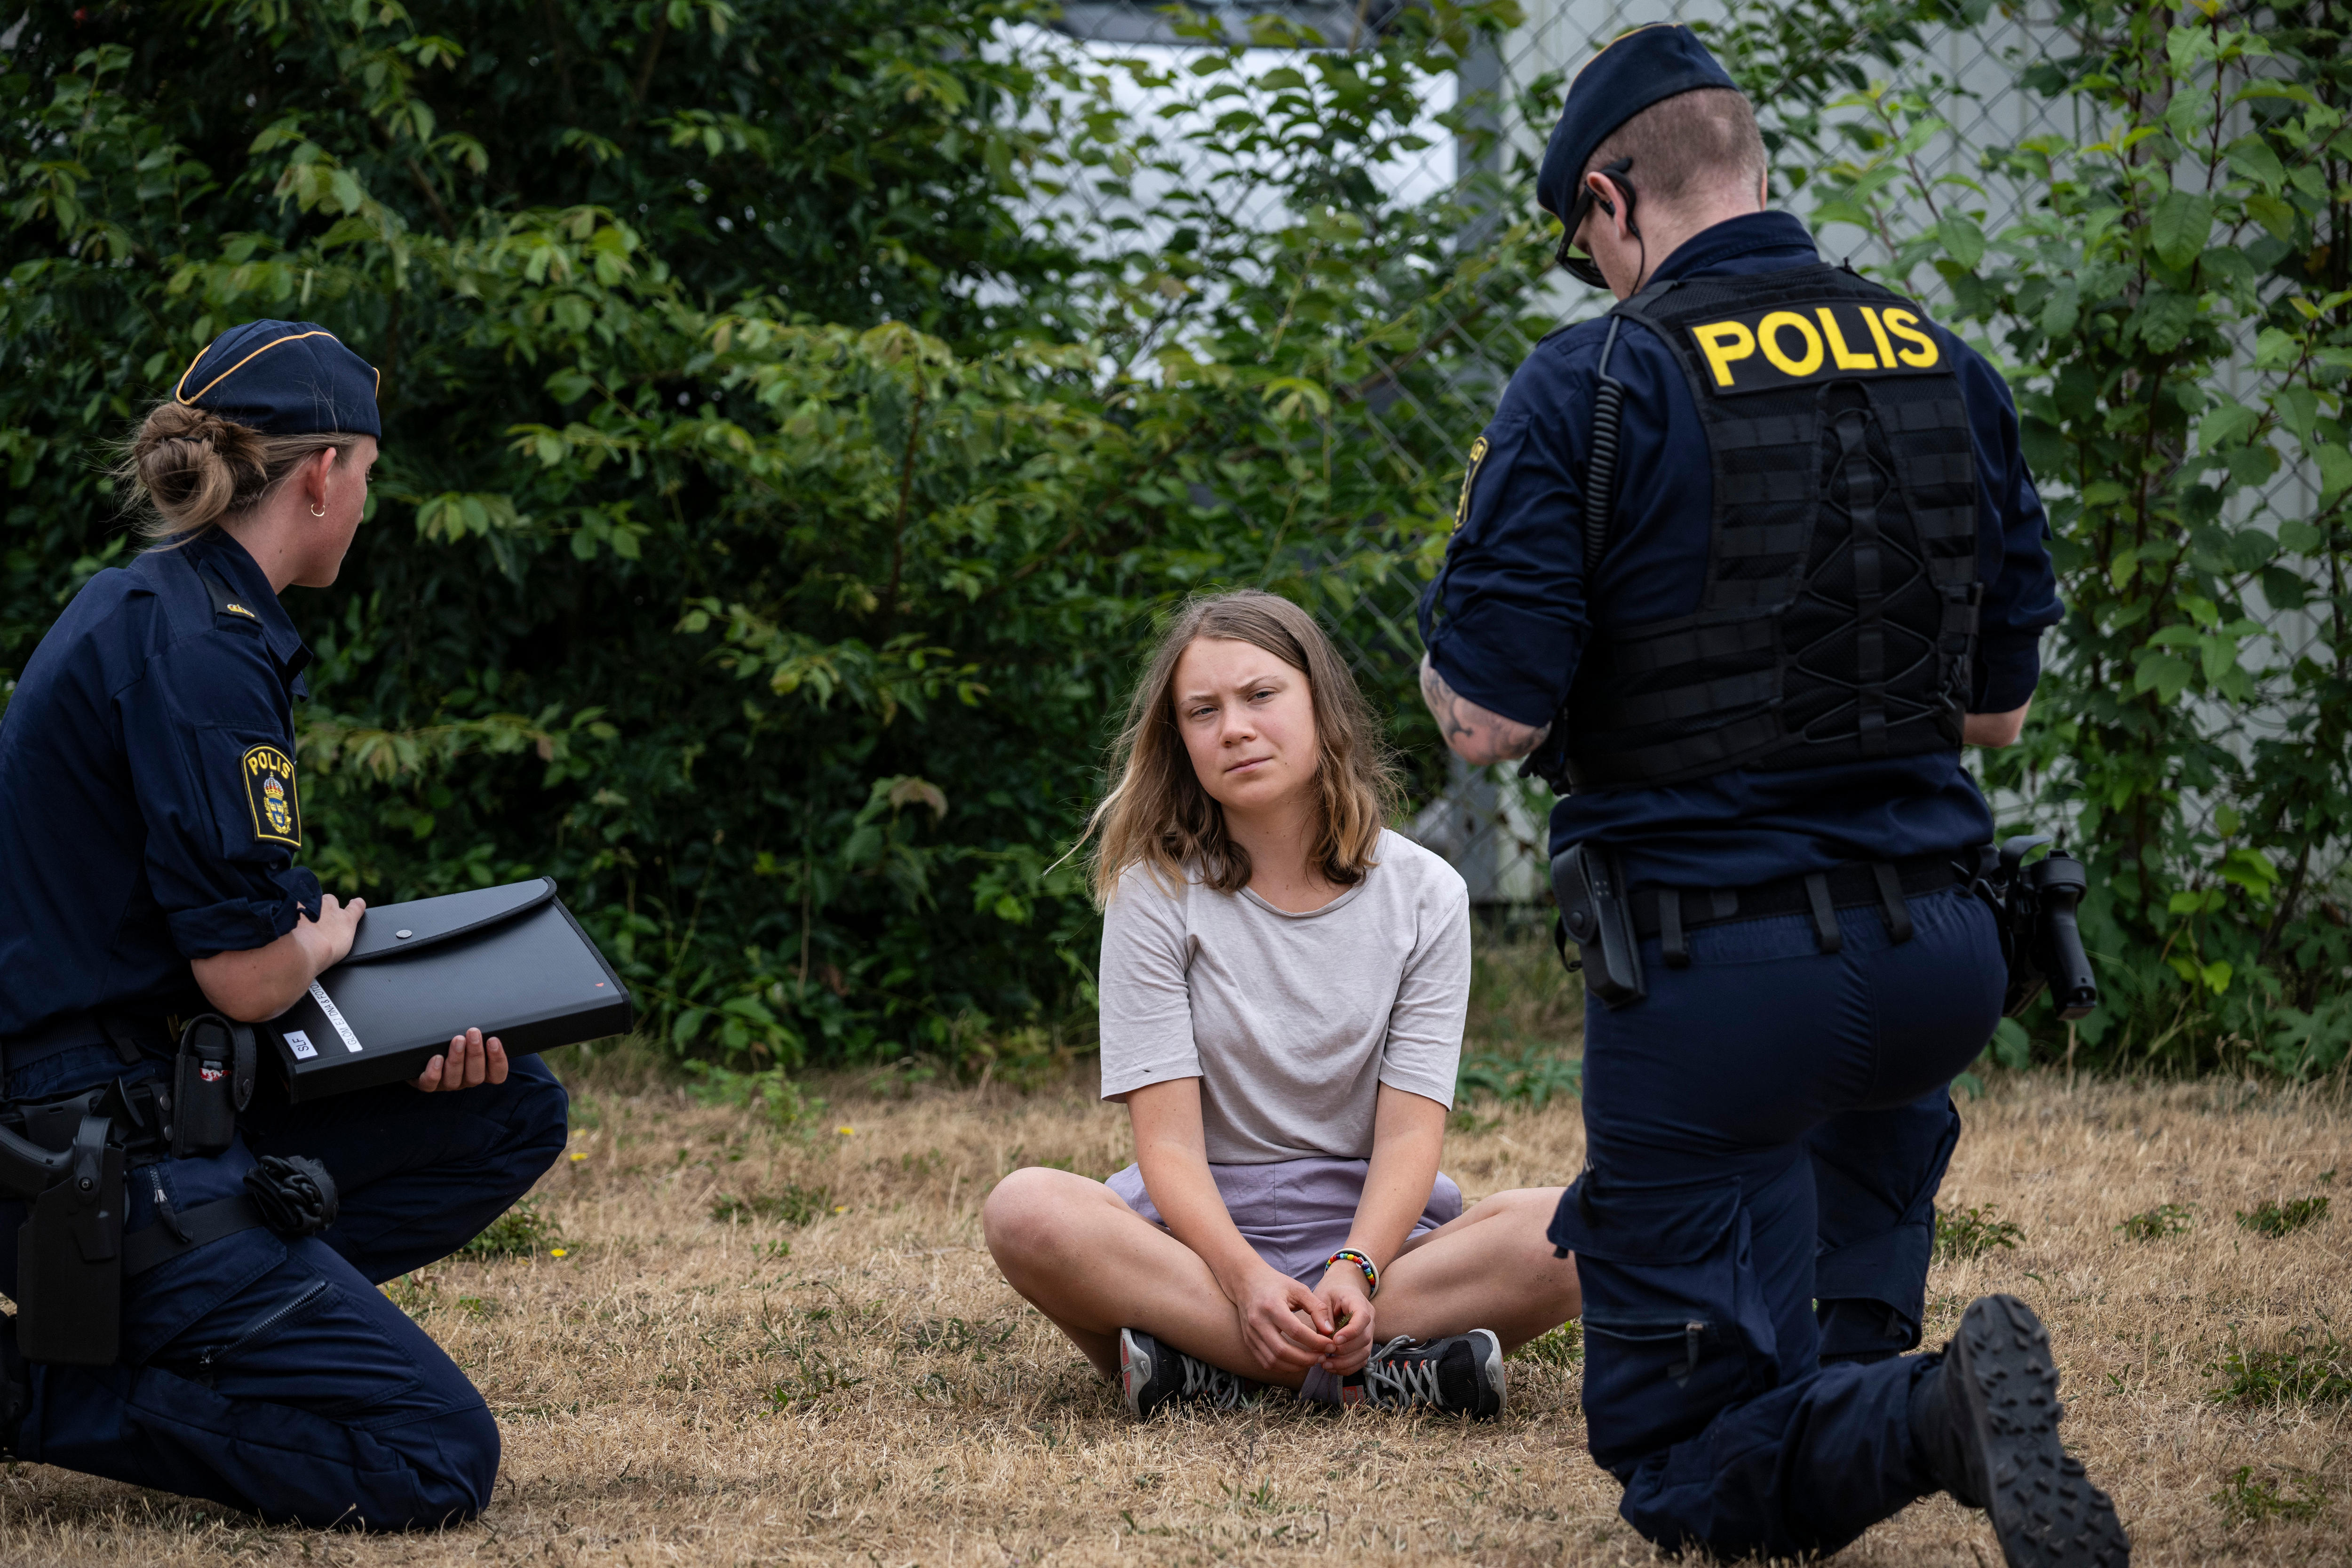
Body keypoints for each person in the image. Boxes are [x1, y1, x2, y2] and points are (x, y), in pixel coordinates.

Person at [1415, 25, 2130, 1567]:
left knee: (1685, 1456)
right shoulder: (1945, 361)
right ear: (1749, 165)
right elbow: (1995, 710)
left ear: (1614, 199)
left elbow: (1488, 718)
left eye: (1585, 237)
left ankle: (1942, 1415)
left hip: (1716, 982)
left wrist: (1454, 665)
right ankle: (1905, 1400)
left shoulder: (1593, 381)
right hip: (1941, 957)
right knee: (1827, 1349)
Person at [0, 321, 569, 1527]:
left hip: (143, 1094)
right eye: (367, 472)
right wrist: (319, 942)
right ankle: (40, 1386)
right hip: (100, 1148)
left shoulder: (163, 611)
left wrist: (370, 1004)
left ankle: (235, 1305)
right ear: (322, 474)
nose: (367, 500)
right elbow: (251, 976)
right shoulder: (205, 653)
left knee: (509, 1103)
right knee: (435, 1455)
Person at [985, 590, 1581, 1419]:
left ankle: (1206, 1372)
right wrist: (1245, 1279)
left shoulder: (1426, 894)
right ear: (1180, 739)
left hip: (1376, 1248)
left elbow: (1411, 1132)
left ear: (1321, 707)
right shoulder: (1153, 893)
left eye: (1261, 695)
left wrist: (1356, 1267)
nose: (1234, 727)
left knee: (1582, 1226)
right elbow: (1168, 1145)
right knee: (1026, 1209)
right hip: (1193, 1249)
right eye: (1203, 710)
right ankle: (1380, 1372)